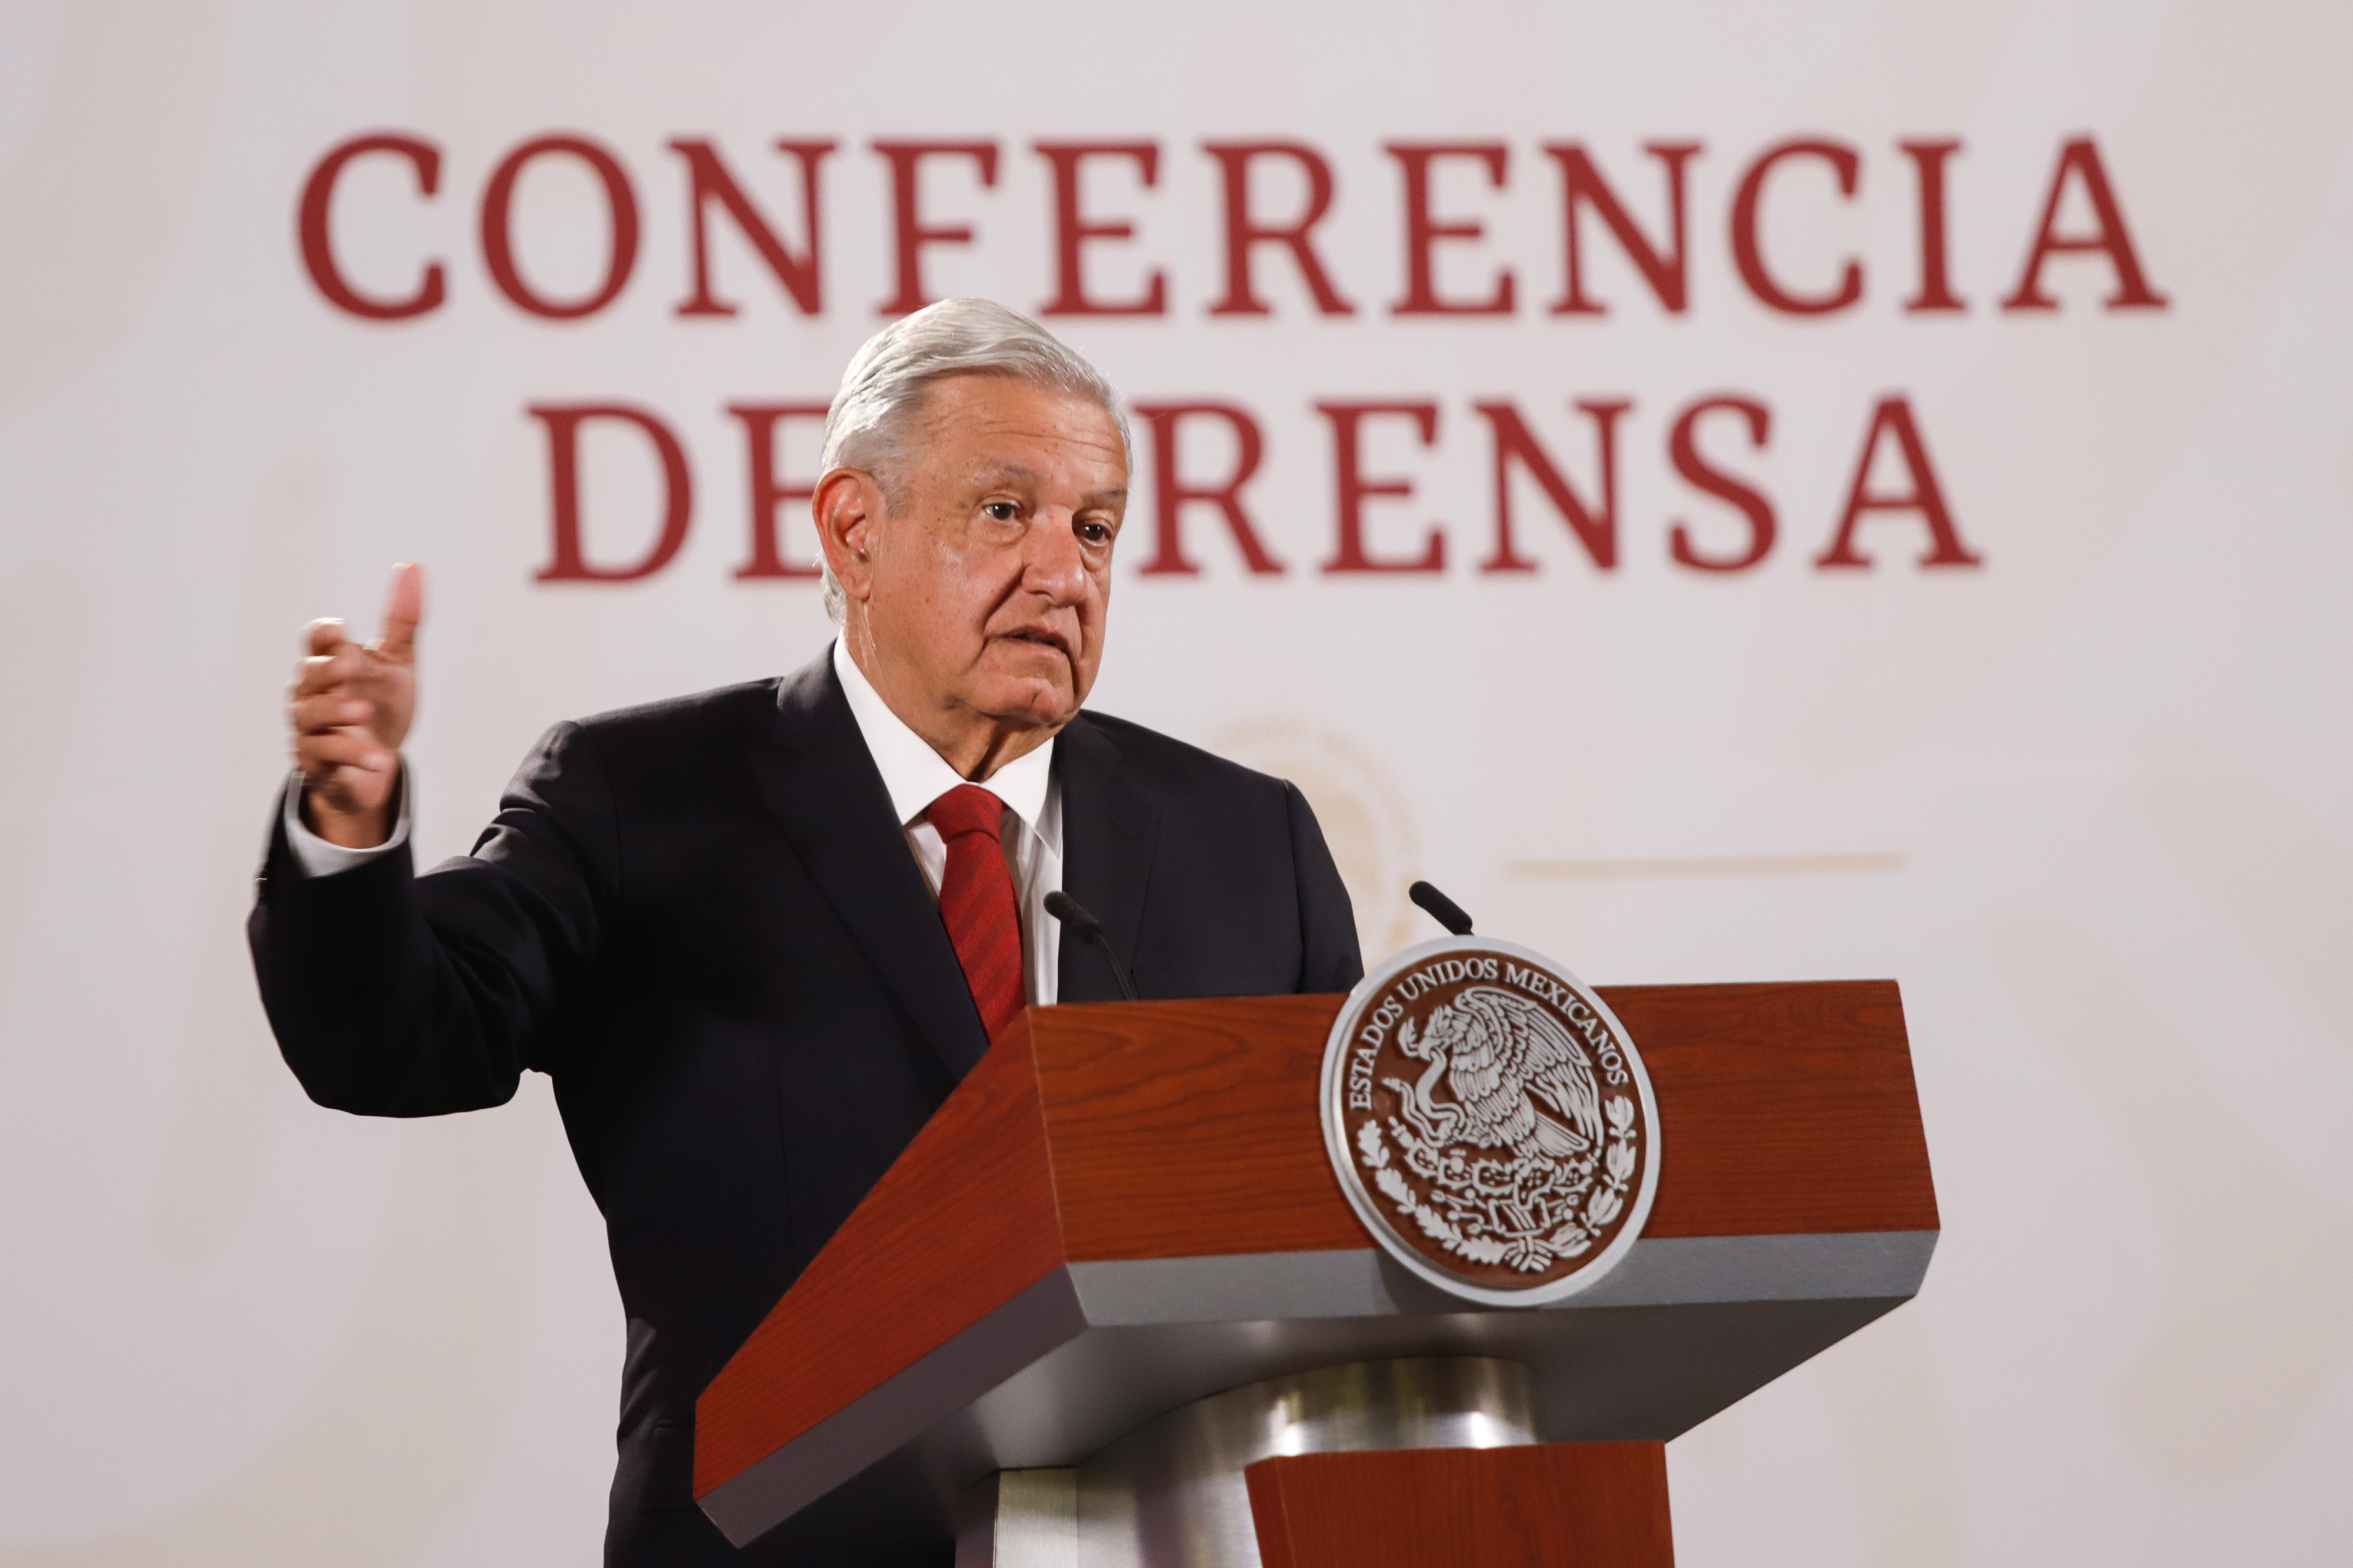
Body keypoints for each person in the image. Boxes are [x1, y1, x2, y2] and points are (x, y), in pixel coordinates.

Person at [249, 299, 1364, 1566]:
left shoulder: (1245, 841)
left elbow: (1341, 1244)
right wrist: (347, 833)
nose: (1063, 573)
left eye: (1094, 527)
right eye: (1004, 512)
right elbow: (397, 1041)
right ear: (853, 526)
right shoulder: (639, 798)